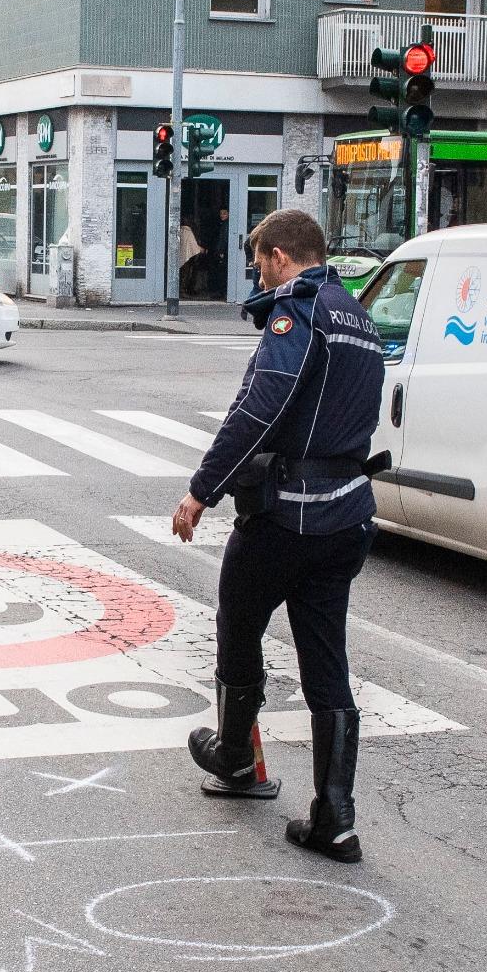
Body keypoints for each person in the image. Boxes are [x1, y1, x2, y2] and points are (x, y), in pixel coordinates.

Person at [173, 208, 385, 864]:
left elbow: (261, 406)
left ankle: (237, 757)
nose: (258, 272)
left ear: (280, 256)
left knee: (238, 615)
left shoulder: (299, 311)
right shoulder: (360, 317)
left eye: (260, 259)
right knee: (327, 662)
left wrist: (203, 488)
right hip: (346, 516)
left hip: (287, 513)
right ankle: (335, 816)